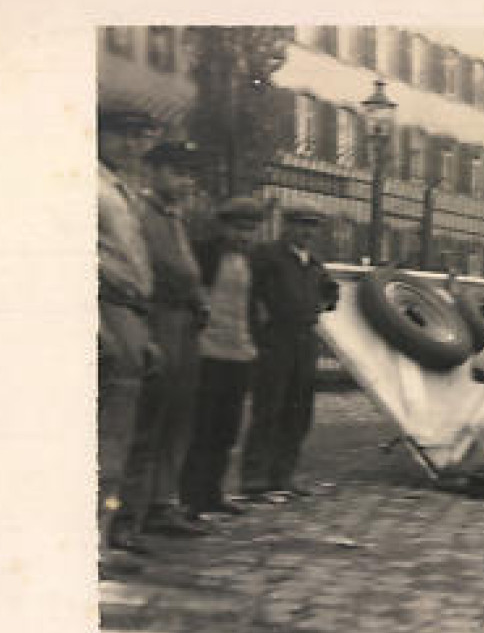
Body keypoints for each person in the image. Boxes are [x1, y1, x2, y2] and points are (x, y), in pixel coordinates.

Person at [112, 140, 212, 551]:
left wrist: (199, 299)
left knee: (177, 417)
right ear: (153, 173)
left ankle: (161, 503)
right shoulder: (140, 214)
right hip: (157, 320)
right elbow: (148, 270)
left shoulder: (176, 219)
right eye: (176, 172)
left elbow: (187, 271)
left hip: (185, 326)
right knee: (147, 420)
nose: (185, 181)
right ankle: (126, 515)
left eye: (189, 174)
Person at [96, 106, 162, 578]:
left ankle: (104, 532)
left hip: (132, 313)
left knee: (122, 430)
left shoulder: (124, 191)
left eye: (138, 137)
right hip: (104, 307)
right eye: (120, 135)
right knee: (105, 432)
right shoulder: (89, 185)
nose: (131, 146)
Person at [239, 205, 340, 501]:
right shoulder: (267, 256)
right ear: (287, 226)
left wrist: (323, 302)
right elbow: (249, 294)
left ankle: (283, 476)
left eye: (312, 227)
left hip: (305, 340)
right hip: (275, 340)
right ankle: (254, 479)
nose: (306, 232)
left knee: (298, 411)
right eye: (300, 225)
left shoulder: (313, 264)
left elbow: (331, 292)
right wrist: (259, 330)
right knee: (269, 407)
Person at [180, 196, 265, 516]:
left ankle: (213, 492)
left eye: (251, 229)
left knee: (227, 430)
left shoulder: (254, 261)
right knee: (201, 427)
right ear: (224, 226)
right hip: (206, 352)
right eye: (238, 228)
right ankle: (190, 497)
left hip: (240, 353)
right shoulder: (203, 253)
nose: (244, 236)